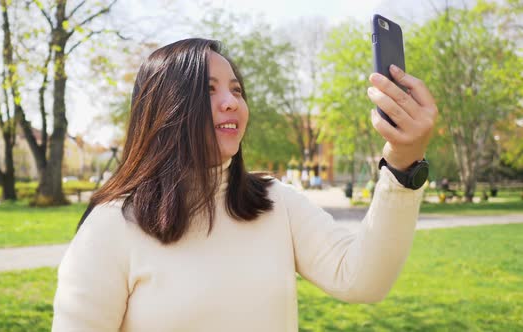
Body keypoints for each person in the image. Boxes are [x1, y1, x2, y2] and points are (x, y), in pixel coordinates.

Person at [52, 38, 437, 331]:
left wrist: (403, 163)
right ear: (163, 109)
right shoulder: (111, 227)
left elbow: (362, 280)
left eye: (236, 90)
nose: (231, 102)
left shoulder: (276, 202)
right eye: (208, 89)